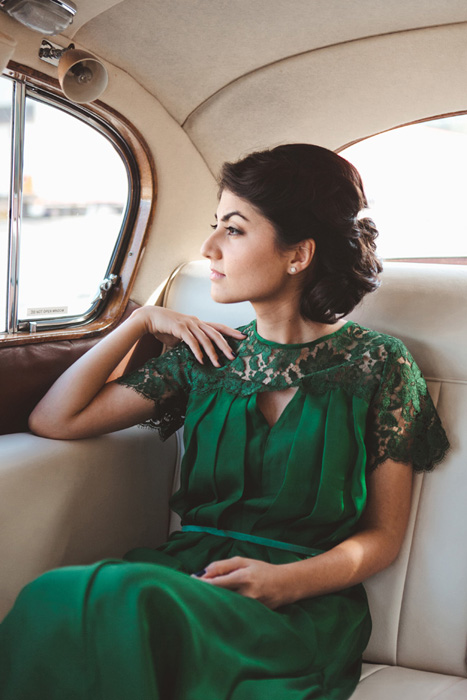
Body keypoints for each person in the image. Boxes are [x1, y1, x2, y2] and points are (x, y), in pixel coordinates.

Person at [0, 144, 449, 700]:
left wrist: (286, 582)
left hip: (300, 605)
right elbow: (56, 420)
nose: (209, 247)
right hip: (182, 576)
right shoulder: (207, 355)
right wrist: (138, 322)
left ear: (298, 254)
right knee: (59, 598)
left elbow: (382, 537)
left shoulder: (379, 365)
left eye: (233, 230)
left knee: (113, 602)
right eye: (214, 226)